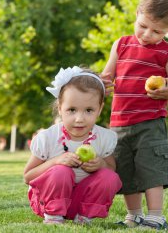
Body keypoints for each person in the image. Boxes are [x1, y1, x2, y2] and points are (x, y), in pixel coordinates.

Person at [101, 0, 168, 230]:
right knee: (125, 169)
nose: (147, 34)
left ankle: (156, 216)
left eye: (156, 31)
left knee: (151, 168)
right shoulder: (121, 45)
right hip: (119, 123)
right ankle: (134, 215)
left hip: (150, 122)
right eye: (143, 26)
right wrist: (102, 85)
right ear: (137, 13)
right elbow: (107, 75)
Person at [23, 66, 122, 225]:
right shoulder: (48, 137)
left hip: (80, 202)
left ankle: (84, 217)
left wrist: (101, 164)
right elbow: (28, 176)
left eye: (89, 110)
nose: (79, 119)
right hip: (47, 201)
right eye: (72, 110)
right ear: (60, 108)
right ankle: (53, 217)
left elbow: (111, 169)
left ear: (100, 109)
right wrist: (55, 161)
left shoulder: (104, 137)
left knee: (109, 177)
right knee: (61, 172)